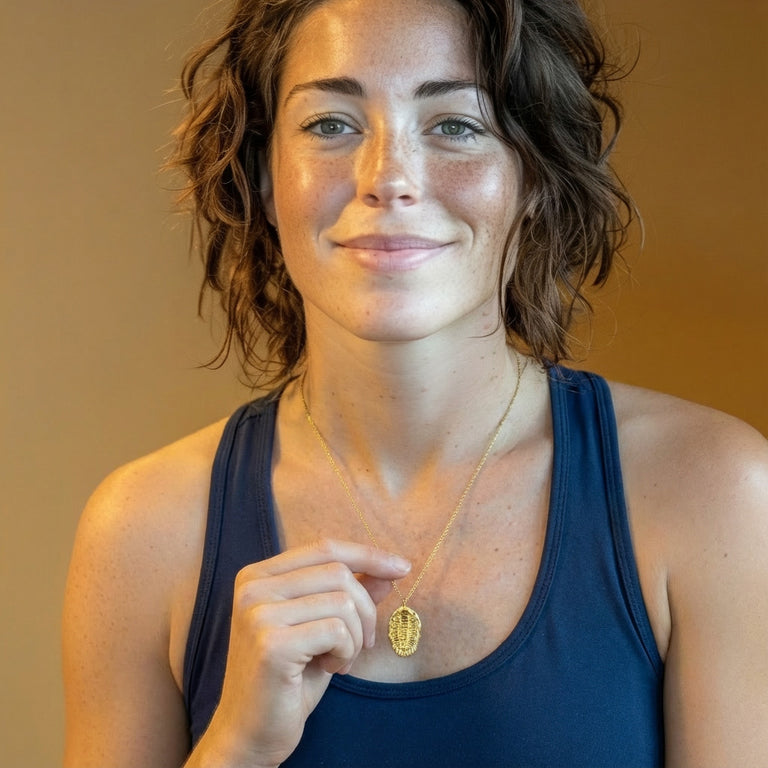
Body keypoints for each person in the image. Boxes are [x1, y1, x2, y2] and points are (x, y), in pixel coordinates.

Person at [62, 0, 768, 765]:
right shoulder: (142, 532)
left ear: (534, 174)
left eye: (454, 125)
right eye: (331, 124)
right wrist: (236, 746)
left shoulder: (714, 492)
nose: (388, 178)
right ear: (263, 176)